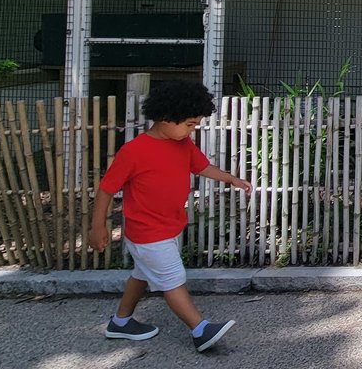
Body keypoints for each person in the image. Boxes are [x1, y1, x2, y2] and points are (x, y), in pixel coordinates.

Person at [89, 79, 252, 352]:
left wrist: (230, 179)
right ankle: (200, 329)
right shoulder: (134, 151)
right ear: (165, 117)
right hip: (147, 232)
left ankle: (120, 322)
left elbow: (202, 167)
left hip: (169, 227)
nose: (193, 129)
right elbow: (106, 189)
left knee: (141, 274)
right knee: (173, 279)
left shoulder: (183, 144)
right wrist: (98, 227)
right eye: (189, 123)